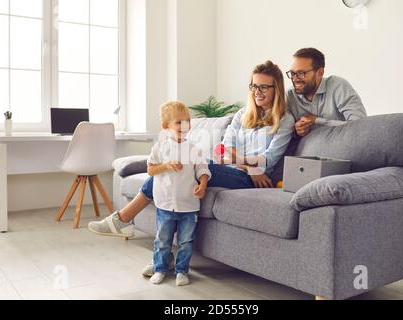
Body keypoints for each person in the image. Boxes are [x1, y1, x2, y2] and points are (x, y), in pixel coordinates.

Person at [88, 60, 295, 276]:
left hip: (247, 180)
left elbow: (268, 160)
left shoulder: (285, 120)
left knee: (185, 166)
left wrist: (244, 163)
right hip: (242, 170)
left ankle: (122, 220)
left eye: (264, 87)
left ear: (276, 88)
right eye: (254, 86)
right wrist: (250, 164)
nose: (257, 92)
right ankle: (158, 255)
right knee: (174, 172)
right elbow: (222, 151)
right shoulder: (242, 115)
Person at [146, 101, 210, 286]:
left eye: (187, 121)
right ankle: (160, 268)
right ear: (166, 126)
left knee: (186, 241)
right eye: (178, 122)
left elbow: (202, 169)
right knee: (162, 241)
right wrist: (166, 165)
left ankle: (182, 271)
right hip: (165, 204)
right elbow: (150, 170)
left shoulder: (194, 149)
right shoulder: (160, 147)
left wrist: (203, 184)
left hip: (188, 205)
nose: (185, 126)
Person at [286, 48, 367, 137]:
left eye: (301, 73)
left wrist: (317, 121)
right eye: (292, 73)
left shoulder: (338, 86)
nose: (295, 79)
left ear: (320, 73)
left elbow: (360, 125)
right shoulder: (290, 96)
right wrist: (296, 132)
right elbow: (283, 132)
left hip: (344, 145)